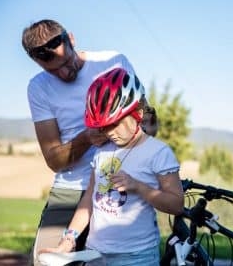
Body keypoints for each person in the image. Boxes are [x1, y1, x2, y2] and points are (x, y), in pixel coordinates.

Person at [22, 19, 157, 265]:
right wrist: (86, 139)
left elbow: (150, 123)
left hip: (117, 185)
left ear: (71, 40)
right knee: (45, 262)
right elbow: (53, 160)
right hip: (70, 189)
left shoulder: (113, 61)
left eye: (66, 62)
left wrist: (128, 132)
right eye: (52, 70)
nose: (64, 73)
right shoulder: (38, 88)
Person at [39, 67, 184, 265]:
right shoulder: (103, 150)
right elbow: (89, 199)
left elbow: (176, 205)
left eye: (114, 124)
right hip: (95, 253)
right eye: (102, 126)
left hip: (136, 256)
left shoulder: (158, 152)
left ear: (138, 113)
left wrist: (138, 187)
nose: (108, 133)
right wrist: (69, 238)